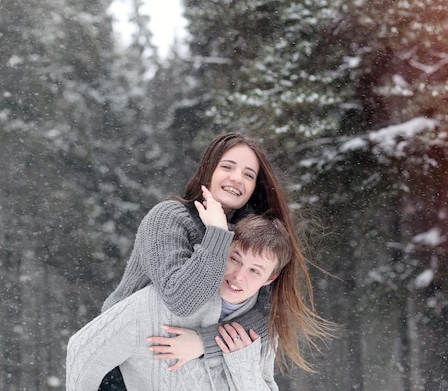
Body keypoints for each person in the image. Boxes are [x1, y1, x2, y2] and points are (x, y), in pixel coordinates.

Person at [96, 133, 301, 390]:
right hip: (128, 362)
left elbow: (265, 315)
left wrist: (205, 342)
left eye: (248, 174)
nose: (236, 178)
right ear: (208, 169)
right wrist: (216, 235)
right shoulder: (169, 218)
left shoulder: (253, 239)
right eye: (227, 166)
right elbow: (182, 300)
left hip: (184, 370)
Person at [67, 214, 325, 390]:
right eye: (235, 259)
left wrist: (241, 360)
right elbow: (82, 350)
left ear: (270, 278)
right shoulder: (157, 304)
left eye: (255, 271)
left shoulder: (259, 330)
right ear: (222, 251)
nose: (238, 276)